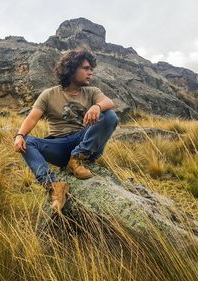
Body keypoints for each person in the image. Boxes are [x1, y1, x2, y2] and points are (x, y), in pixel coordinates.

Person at [13, 49, 118, 214]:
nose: (90, 73)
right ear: (71, 69)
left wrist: (97, 106)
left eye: (91, 69)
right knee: (28, 142)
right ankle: (54, 185)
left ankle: (76, 158)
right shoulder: (49, 94)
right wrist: (19, 136)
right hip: (60, 145)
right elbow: (32, 118)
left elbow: (109, 102)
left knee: (110, 116)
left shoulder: (92, 92)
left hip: (86, 144)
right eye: (86, 68)